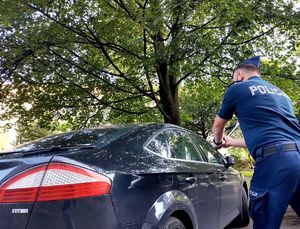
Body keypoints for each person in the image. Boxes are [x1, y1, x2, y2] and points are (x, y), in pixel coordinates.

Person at [212, 56, 300, 229]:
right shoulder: (283, 95)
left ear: (239, 75)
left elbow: (218, 124)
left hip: (276, 163)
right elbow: (272, 139)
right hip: (295, 154)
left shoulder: (237, 88)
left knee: (264, 218)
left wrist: (217, 141)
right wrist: (231, 142)